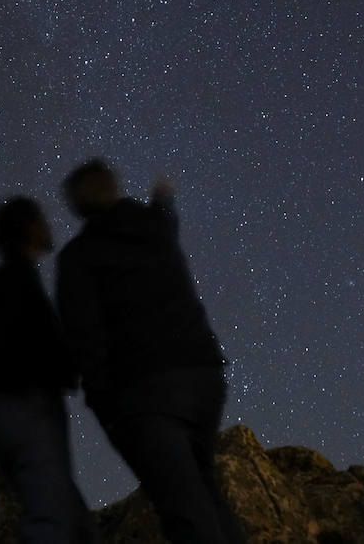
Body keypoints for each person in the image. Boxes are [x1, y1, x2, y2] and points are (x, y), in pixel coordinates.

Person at [56, 159, 242, 544]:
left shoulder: (80, 257)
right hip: (202, 375)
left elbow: (83, 335)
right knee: (204, 494)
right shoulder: (155, 229)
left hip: (144, 391)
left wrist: (103, 404)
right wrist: (162, 200)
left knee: (184, 509)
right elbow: (164, 218)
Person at [0, 196, 100, 544]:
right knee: (50, 524)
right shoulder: (18, 280)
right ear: (28, 228)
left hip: (5, 414)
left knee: (75, 526)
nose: (48, 226)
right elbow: (37, 348)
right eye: (41, 220)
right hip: (28, 410)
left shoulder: (6, 282)